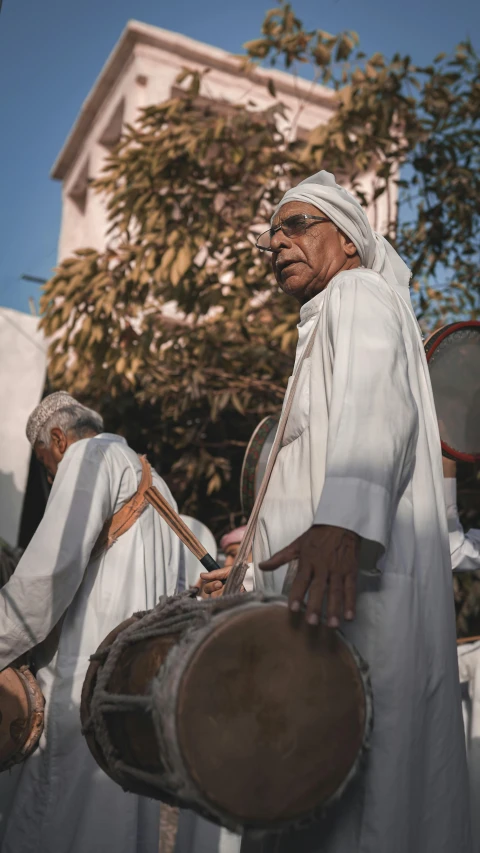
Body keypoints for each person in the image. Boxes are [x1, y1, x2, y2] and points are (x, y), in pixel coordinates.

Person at [206, 171, 472, 853]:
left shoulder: (357, 295)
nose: (276, 241)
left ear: (349, 241)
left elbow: (368, 411)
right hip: (325, 603)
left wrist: (343, 522)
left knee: (356, 803)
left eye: (295, 225)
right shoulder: (329, 317)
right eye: (272, 235)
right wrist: (241, 578)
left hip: (357, 601)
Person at [0, 391, 181, 853]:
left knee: (52, 823)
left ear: (59, 439)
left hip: (78, 693)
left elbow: (45, 577)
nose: (50, 476)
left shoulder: (90, 456)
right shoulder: (158, 485)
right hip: (132, 700)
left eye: (46, 464)